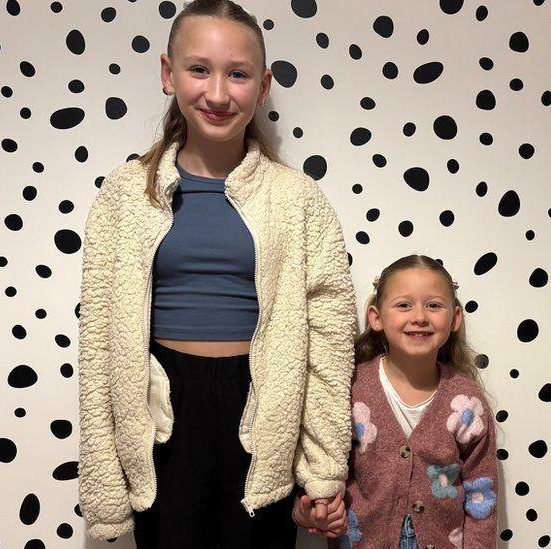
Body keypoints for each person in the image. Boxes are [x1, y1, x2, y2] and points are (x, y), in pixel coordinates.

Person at [75, 1, 356, 547]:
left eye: (239, 74)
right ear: (167, 74)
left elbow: (329, 339)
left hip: (264, 409)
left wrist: (323, 470)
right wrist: (105, 481)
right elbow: (99, 347)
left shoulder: (298, 199)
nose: (219, 93)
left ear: (265, 85)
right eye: (199, 69)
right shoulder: (124, 194)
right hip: (162, 414)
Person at [298, 255, 499, 547]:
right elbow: (319, 462)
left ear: (455, 318)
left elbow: (483, 492)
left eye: (433, 305)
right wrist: (309, 509)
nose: (419, 316)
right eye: (404, 305)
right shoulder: (350, 389)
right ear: (376, 317)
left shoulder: (466, 401)